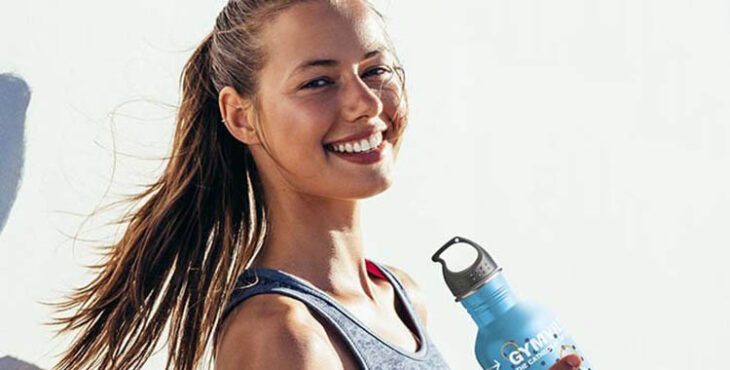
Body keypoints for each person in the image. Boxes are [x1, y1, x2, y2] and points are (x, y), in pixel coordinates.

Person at [48, 0, 584, 369]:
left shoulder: (399, 297)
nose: (367, 104)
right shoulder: (282, 333)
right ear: (240, 117)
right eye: (319, 81)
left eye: (375, 70)